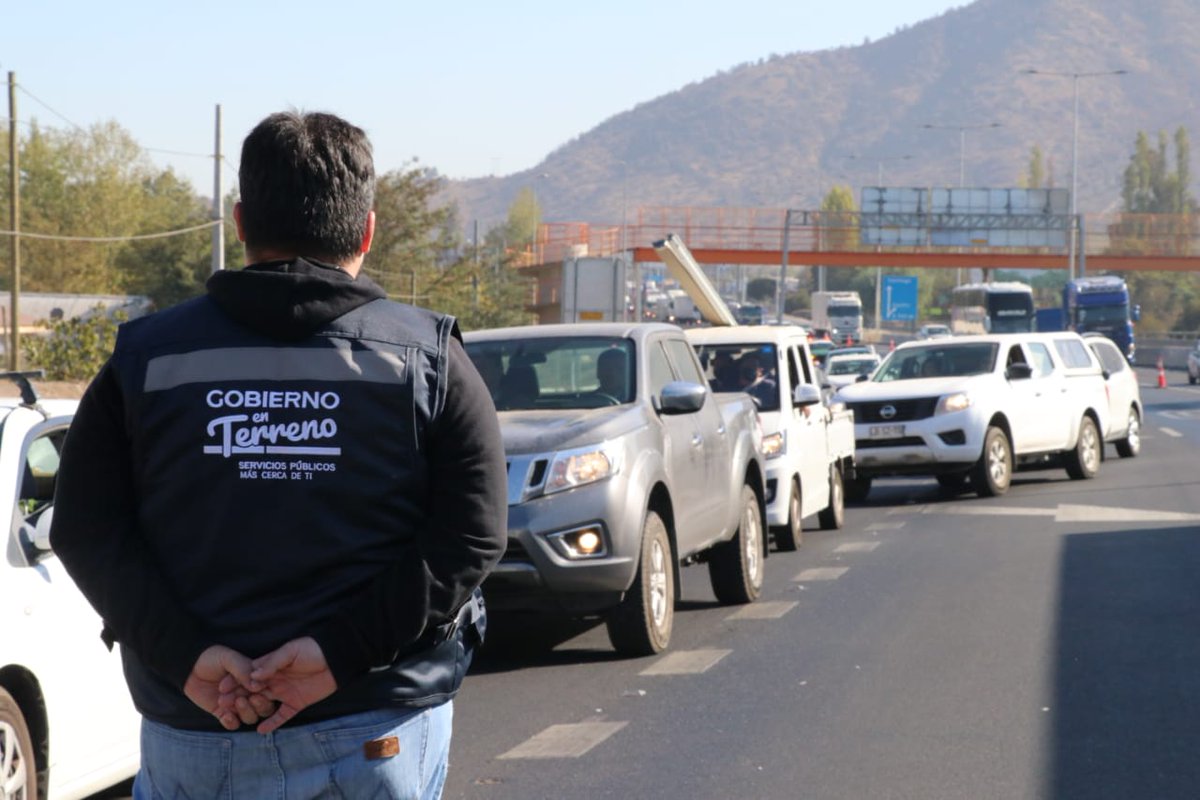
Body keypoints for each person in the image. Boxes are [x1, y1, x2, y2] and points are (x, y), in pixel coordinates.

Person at [50, 111, 507, 799]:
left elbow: (84, 529)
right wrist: (337, 656)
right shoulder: (428, 360)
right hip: (372, 723)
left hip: (194, 732)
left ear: (239, 222)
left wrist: (189, 659)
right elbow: (472, 535)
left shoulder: (144, 359)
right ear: (367, 230)